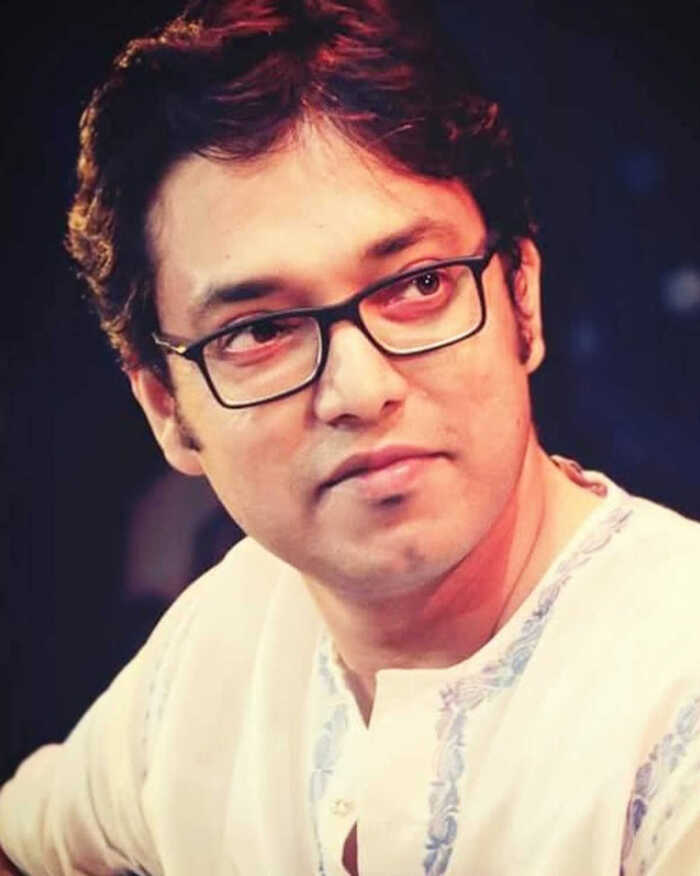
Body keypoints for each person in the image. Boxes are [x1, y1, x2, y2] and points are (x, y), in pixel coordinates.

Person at [2, 0, 699, 873]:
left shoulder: (677, 687)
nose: (361, 391)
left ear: (522, 299)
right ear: (167, 409)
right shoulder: (220, 642)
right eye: (259, 331)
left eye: (420, 284)